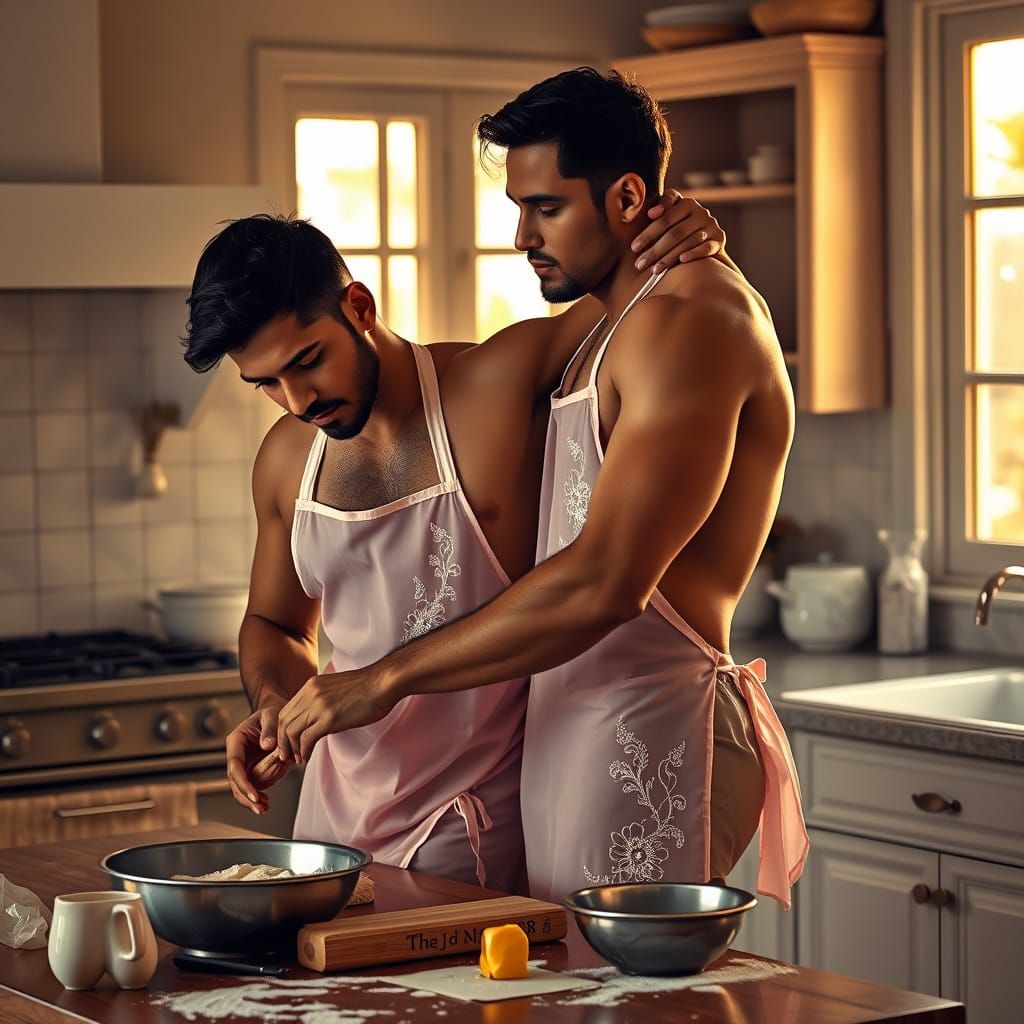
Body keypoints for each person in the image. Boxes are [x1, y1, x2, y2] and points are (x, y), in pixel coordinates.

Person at [274, 68, 809, 909]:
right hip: (571, 731)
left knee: (631, 1006)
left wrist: (381, 678)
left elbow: (607, 582)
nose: (522, 234)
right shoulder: (618, 326)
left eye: (547, 207)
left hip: (656, 725)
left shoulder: (692, 321)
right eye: (518, 207)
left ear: (628, 197)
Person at [182, 191, 726, 891]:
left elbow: (651, 289)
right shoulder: (286, 460)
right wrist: (273, 706)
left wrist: (694, 228)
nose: (296, 401)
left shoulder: (500, 383)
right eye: (266, 385)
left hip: (470, 830)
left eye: (308, 361)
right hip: (328, 827)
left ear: (359, 307)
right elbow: (274, 623)